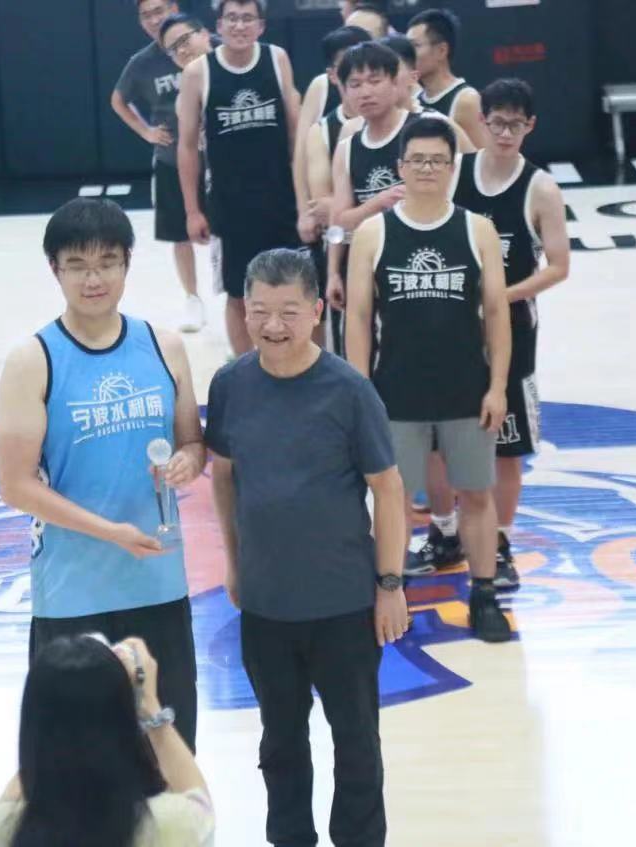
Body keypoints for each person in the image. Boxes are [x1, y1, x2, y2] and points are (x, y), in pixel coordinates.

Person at [205, 248, 408, 847]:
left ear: (317, 311)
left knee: (357, 742)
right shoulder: (231, 384)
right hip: (267, 606)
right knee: (280, 741)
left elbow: (388, 489)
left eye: (289, 312)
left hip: (344, 605)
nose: (273, 325)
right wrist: (234, 563)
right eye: (260, 310)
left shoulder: (349, 391)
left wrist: (390, 584)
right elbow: (224, 477)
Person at [0, 199, 205, 749]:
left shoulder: (164, 346)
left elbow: (192, 442)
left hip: (158, 581)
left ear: (127, 263)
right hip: (73, 592)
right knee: (75, 760)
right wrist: (110, 533)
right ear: (55, 270)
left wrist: (189, 460)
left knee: (169, 749)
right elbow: (15, 485)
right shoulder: (32, 360)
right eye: (78, 265)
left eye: (108, 262)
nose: (94, 279)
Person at [345, 118, 513, 642]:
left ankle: (483, 594)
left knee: (477, 495)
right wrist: (359, 391)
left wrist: (498, 386)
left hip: (467, 390)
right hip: (395, 394)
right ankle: (390, 593)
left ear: (452, 167)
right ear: (400, 166)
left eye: (437, 160)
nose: (426, 169)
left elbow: (497, 313)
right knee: (392, 500)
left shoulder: (477, 230)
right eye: (416, 159)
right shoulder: (373, 233)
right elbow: (357, 318)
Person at [443, 78, 570, 586]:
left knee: (507, 446)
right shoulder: (456, 172)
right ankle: (452, 531)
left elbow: (558, 266)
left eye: (515, 125)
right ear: (482, 122)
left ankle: (499, 543)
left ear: (530, 126)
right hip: (451, 327)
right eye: (496, 123)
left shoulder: (540, 188)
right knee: (448, 435)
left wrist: (501, 297)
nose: (504, 133)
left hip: (512, 329)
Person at [0, 635, 213, 847]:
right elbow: (202, 804)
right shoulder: (171, 824)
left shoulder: (1, 827)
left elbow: (36, 760)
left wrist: (59, 703)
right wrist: (148, 702)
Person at [176, 0, 302, 356]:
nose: (239, 25)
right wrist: (192, 211)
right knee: (238, 293)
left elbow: (296, 132)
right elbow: (187, 146)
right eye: (232, 18)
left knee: (292, 287)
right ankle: (246, 368)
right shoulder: (198, 72)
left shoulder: (276, 59)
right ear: (218, 25)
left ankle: (294, 362)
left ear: (261, 25)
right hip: (230, 205)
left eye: (248, 18)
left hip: (282, 199)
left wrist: (305, 195)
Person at [327, 43, 474, 324]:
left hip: (433, 267)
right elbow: (340, 222)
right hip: (371, 269)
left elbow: (474, 184)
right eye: (355, 84)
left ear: (396, 82)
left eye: (374, 81)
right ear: (343, 90)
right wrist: (333, 272)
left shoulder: (431, 127)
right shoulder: (347, 147)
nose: (365, 92)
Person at [112, 0, 206, 333]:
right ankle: (192, 298)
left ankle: (235, 295)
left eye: (159, 10)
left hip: (220, 157)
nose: (154, 19)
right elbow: (118, 100)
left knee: (227, 231)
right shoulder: (142, 62)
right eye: (146, 15)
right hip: (172, 158)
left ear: (174, 8)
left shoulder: (206, 46)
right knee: (180, 234)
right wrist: (146, 131)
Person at [293, 8, 387, 248]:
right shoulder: (322, 118)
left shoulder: (397, 110)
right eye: (348, 67)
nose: (357, 70)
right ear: (334, 74)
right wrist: (305, 211)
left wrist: (350, 208)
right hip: (345, 239)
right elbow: (322, 203)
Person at [406, 8, 490, 149]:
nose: (408, 55)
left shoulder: (466, 100)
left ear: (441, 50)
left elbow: (481, 157)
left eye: (415, 46)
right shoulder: (414, 100)